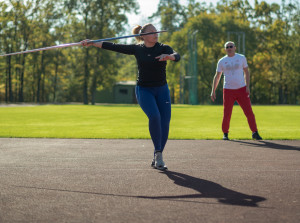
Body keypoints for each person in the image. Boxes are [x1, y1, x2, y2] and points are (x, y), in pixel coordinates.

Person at [81, 24, 180, 170]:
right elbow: (114, 46)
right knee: (155, 117)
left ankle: (157, 155)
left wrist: (170, 57)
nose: (156, 33)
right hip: (144, 90)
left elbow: (177, 56)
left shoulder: (164, 47)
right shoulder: (137, 49)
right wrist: (92, 42)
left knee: (165, 123)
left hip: (162, 89)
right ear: (143, 36)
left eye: (156, 31)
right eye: (152, 32)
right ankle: (159, 154)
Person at [210, 41, 262, 140]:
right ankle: (225, 133)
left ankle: (255, 132)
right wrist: (213, 90)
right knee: (227, 113)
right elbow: (217, 76)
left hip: (241, 89)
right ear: (225, 49)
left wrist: (247, 86)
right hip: (228, 90)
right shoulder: (222, 61)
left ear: (235, 48)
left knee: (249, 112)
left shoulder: (241, 58)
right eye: (227, 47)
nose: (229, 48)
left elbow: (246, 71)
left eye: (231, 46)